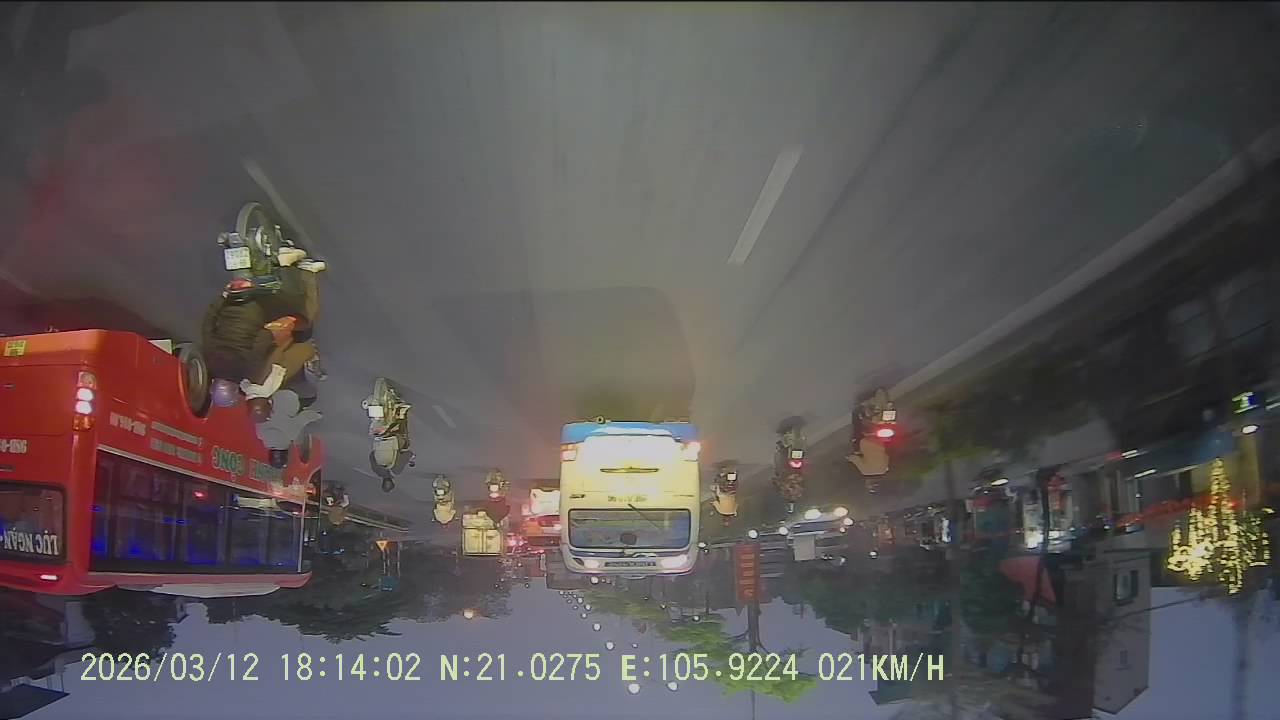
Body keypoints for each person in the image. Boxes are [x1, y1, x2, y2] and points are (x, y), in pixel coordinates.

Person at [201, 248, 327, 400]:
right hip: (231, 303)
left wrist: (272, 331)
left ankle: (294, 266)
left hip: (257, 309)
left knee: (305, 313)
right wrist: (222, 298)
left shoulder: (245, 370)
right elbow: (208, 325)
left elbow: (261, 341)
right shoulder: (209, 358)